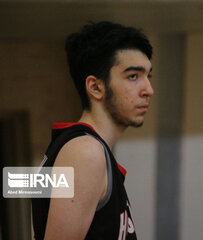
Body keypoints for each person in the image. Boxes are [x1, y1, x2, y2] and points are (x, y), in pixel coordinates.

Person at [32, 21, 154, 240]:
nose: (149, 90)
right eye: (133, 76)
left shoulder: (81, 147)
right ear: (96, 87)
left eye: (148, 76)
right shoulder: (85, 152)